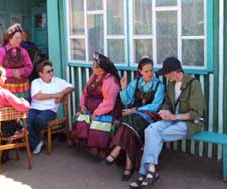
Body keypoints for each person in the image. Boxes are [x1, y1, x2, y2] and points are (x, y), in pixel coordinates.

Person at [129, 57, 205, 188]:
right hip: (171, 119)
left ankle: (144, 173)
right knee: (150, 130)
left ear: (175, 72)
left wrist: (174, 117)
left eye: (166, 73)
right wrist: (164, 111)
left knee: (154, 136)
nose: (164, 75)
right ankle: (151, 171)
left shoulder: (194, 84)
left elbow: (197, 113)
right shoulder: (171, 84)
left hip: (189, 122)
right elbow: (167, 104)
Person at [104, 57, 165, 181]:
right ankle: (128, 166)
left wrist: (135, 110)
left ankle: (117, 149)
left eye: (151, 71)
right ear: (140, 71)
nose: (150, 74)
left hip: (149, 116)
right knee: (129, 128)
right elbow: (126, 100)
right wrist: (123, 87)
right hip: (133, 116)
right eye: (146, 71)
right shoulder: (136, 82)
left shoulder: (159, 85)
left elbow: (155, 106)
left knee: (129, 121)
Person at [69, 52, 121, 158]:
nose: (92, 67)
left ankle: (98, 149)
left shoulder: (110, 80)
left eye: (94, 66)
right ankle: (83, 144)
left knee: (98, 125)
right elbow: (85, 92)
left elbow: (109, 102)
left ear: (101, 68)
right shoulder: (94, 77)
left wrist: (96, 112)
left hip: (104, 109)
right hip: (89, 107)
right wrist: (82, 104)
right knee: (82, 120)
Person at [27, 60, 74, 155]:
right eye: (48, 71)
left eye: (52, 70)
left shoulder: (57, 81)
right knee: (27, 122)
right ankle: (38, 142)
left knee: (38, 120)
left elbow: (71, 87)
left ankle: (34, 142)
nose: (51, 73)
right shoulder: (36, 82)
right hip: (35, 108)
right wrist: (54, 95)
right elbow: (37, 96)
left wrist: (61, 93)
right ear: (41, 74)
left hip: (50, 110)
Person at [0, 23, 33, 100]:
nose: (20, 40)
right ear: (10, 38)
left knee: (23, 107)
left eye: (20, 38)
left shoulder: (24, 51)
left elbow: (29, 67)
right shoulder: (1, 51)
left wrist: (20, 72)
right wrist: (11, 73)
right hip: (7, 86)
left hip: (22, 87)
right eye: (17, 38)